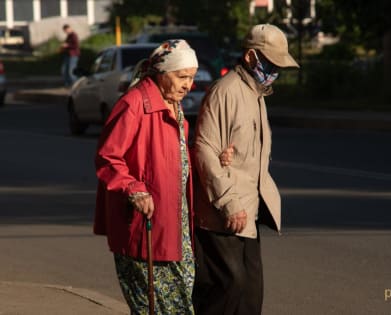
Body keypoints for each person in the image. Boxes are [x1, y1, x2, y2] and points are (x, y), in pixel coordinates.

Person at [94, 39, 231, 315]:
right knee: (159, 309)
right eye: (182, 77)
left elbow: (174, 158)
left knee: (178, 303)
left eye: (192, 78)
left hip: (176, 226)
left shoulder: (175, 107)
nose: (188, 85)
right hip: (143, 227)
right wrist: (133, 188)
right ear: (161, 72)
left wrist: (211, 159)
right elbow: (108, 157)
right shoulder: (134, 104)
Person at [192, 24, 299, 315]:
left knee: (251, 295)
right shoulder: (225, 92)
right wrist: (229, 203)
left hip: (247, 212)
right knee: (228, 289)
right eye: (271, 63)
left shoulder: (256, 93)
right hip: (221, 214)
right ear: (251, 57)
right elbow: (204, 149)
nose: (275, 70)